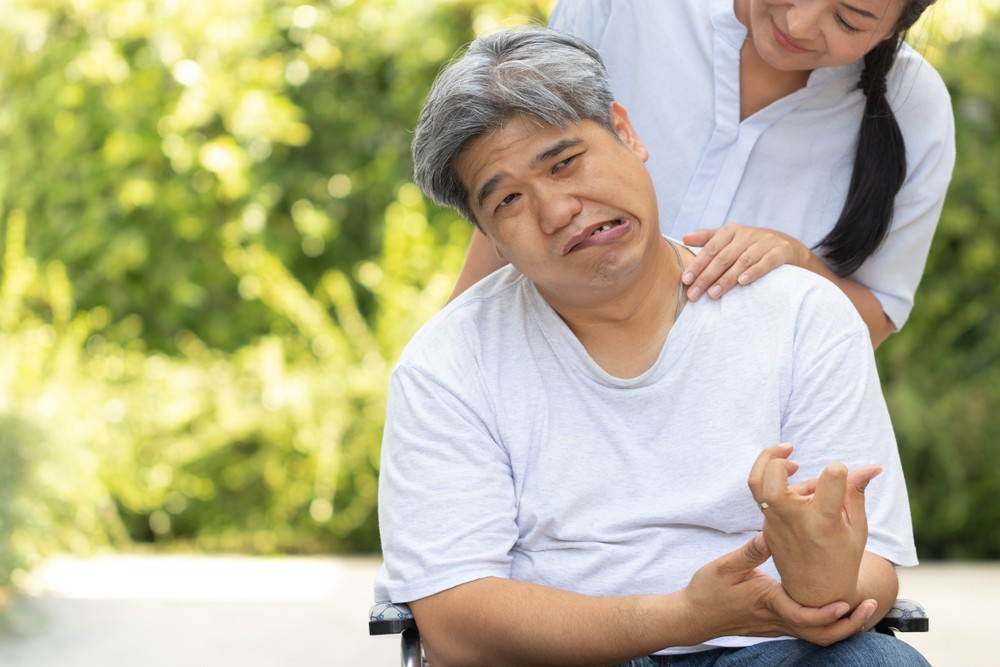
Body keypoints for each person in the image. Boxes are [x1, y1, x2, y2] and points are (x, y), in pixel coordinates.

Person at [374, 27, 928, 666]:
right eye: (509, 200)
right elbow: (454, 621)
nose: (557, 210)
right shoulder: (445, 365)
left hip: (766, 645)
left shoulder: (801, 314)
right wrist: (683, 616)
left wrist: (818, 582)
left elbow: (872, 570)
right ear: (489, 236)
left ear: (626, 133)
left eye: (564, 162)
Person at [448, 0, 955, 349]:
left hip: (741, 438)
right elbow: (511, 186)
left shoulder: (915, 110)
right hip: (546, 365)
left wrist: (798, 264)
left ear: (895, 25)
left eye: (847, 20)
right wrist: (444, 352)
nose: (799, 23)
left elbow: (871, 320)